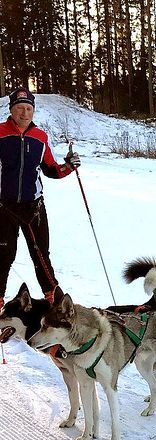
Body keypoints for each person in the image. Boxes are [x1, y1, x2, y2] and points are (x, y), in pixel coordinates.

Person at [0, 87, 81, 310]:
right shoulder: (0, 133)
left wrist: (69, 166)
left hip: (33, 208)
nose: (24, 113)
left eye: (28, 109)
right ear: (11, 110)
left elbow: (51, 169)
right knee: (3, 257)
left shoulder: (40, 137)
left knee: (42, 258)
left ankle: (56, 305)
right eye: (19, 108)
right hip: (4, 208)